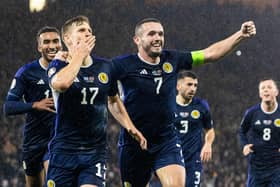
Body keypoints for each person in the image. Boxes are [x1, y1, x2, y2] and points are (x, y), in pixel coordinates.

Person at [112, 17, 256, 187]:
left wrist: (240, 35)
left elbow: (210, 53)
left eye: (161, 33)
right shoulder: (121, 65)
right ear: (137, 40)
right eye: (151, 34)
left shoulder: (172, 59)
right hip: (134, 143)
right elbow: (110, 98)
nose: (158, 37)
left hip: (166, 140)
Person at [45, 15, 146, 187]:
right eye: (81, 30)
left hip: (95, 152)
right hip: (64, 151)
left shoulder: (105, 67)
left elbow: (113, 100)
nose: (87, 34)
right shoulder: (57, 65)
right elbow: (61, 84)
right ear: (67, 38)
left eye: (89, 31)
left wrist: (130, 126)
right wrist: (79, 55)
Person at [3, 26, 62, 187]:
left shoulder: (69, 69)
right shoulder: (27, 72)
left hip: (58, 139)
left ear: (61, 44)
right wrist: (34, 105)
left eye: (56, 41)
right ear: (39, 47)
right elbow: (8, 107)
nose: (52, 46)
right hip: (34, 140)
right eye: (46, 42)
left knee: (54, 180)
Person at [175, 70, 215, 187]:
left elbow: (210, 130)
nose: (193, 88)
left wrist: (208, 144)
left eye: (195, 85)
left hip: (193, 160)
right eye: (189, 84)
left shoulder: (201, 105)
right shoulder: (168, 104)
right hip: (172, 159)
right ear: (178, 86)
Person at [239, 79, 280, 187]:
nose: (266, 90)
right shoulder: (252, 113)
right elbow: (242, 130)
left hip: (277, 166)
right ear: (260, 94)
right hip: (257, 167)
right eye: (263, 88)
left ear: (276, 92)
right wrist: (244, 145)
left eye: (269, 87)